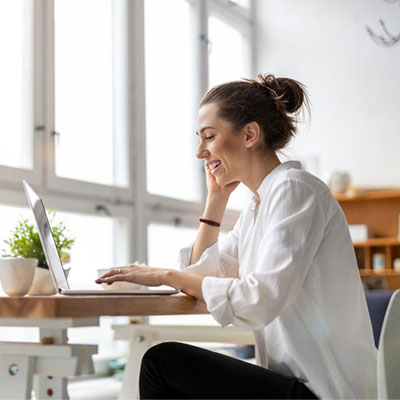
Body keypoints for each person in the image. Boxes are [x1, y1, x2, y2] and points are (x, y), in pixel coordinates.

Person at [96, 74, 378, 399]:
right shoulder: (260, 206)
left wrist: (163, 274)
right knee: (168, 365)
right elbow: (199, 272)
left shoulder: (295, 190)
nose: (200, 151)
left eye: (209, 137)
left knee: (162, 363)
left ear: (249, 135)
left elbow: (260, 300)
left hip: (327, 391)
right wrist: (215, 202)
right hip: (297, 385)